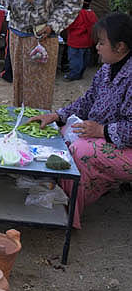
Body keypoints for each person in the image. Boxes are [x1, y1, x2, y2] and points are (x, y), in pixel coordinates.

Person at [28, 13, 132, 228]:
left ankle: (68, 217)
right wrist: (56, 116)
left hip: (125, 145)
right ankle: (59, 195)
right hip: (106, 137)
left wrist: (102, 131)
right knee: (62, 133)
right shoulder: (105, 70)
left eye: (102, 43)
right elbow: (87, 101)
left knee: (80, 150)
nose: (97, 48)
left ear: (120, 47)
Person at [64, 0, 98, 81]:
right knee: (84, 60)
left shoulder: (76, 14)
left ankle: (74, 75)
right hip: (87, 42)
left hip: (75, 42)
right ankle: (80, 73)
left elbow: (69, 25)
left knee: (75, 60)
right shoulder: (92, 14)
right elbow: (94, 27)